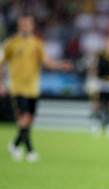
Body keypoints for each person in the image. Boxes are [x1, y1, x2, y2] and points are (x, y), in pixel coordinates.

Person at [0, 14, 73, 162]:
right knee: (25, 117)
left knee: (30, 120)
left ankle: (15, 145)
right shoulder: (11, 44)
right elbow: (1, 64)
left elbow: (47, 62)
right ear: (19, 25)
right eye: (23, 24)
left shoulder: (37, 43)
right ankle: (30, 151)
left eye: (28, 24)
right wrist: (1, 83)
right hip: (18, 86)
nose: (26, 26)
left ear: (32, 26)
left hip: (33, 87)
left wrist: (61, 65)